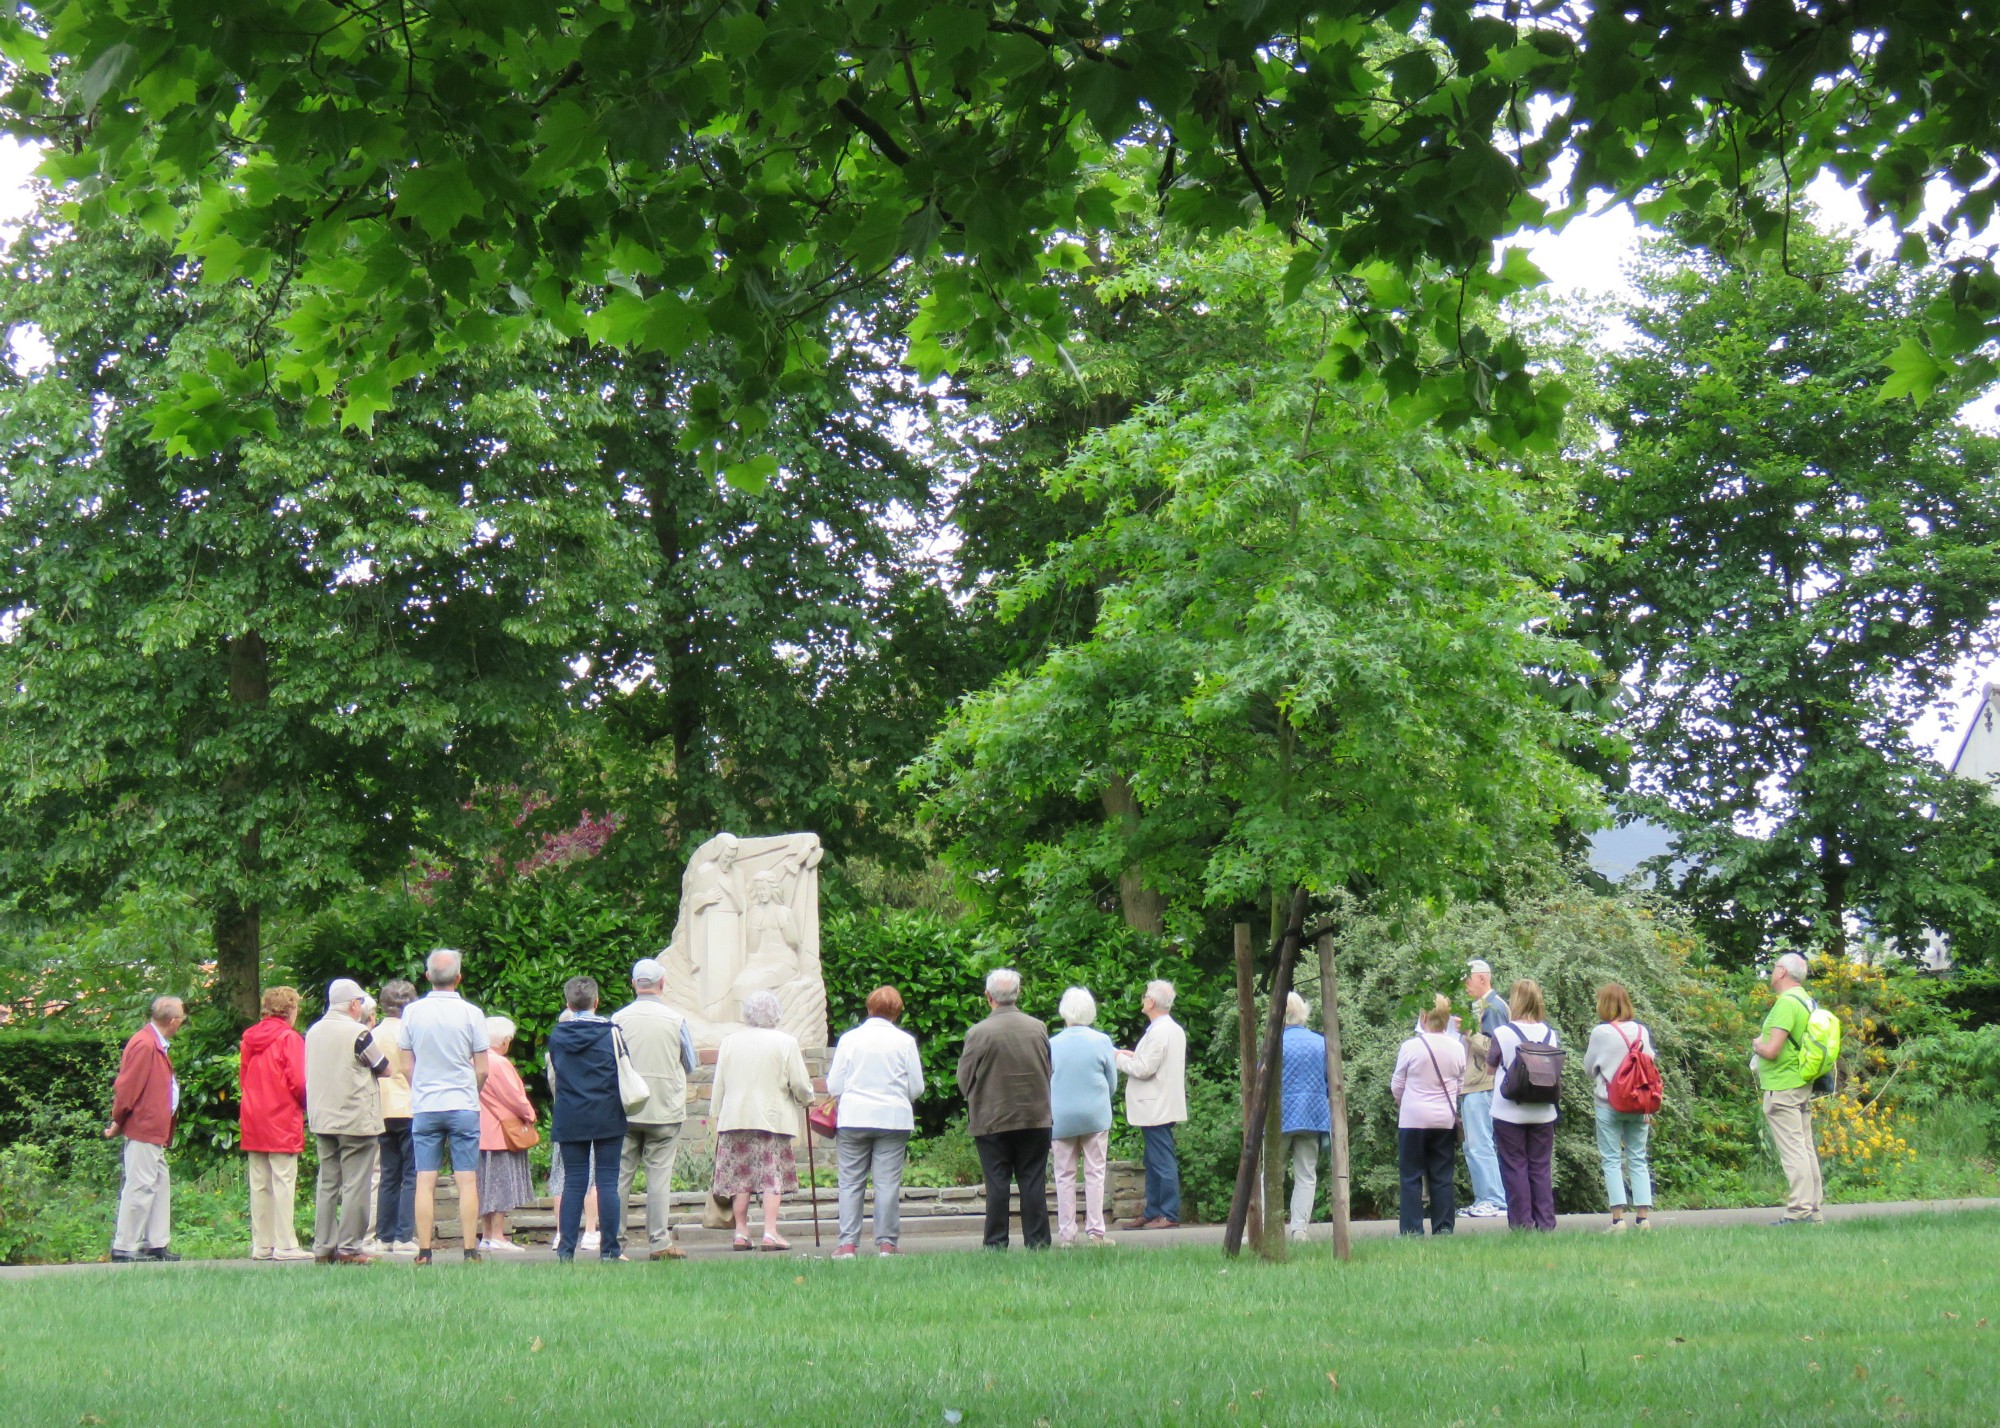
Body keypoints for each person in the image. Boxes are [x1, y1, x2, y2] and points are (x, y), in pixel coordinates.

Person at [396, 948, 489, 1264]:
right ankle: (469, 1249)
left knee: (425, 1178)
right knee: (467, 1179)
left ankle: (424, 1251)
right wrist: (470, 1092)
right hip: (462, 1103)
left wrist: (420, 1088)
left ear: (427, 977)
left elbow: (406, 1064)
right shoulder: (472, 1013)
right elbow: (483, 1068)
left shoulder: (412, 1013)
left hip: (426, 1105)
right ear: (459, 978)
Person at [957, 968, 1054, 1251]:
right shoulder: (1038, 1027)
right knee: (1032, 1181)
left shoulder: (978, 1032)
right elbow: (1049, 1069)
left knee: (997, 1182)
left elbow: (964, 1079)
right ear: (1018, 994)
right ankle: (1037, 1242)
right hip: (1035, 1117)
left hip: (992, 1118)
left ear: (988, 997)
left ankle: (996, 1242)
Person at [711, 988, 815, 1251]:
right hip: (772, 1119)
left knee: (740, 1177)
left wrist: (716, 1115)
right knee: (771, 1176)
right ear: (776, 1014)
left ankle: (740, 1232)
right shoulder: (785, 1042)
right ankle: (770, 1233)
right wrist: (807, 1098)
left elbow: (719, 1084)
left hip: (734, 1117)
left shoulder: (729, 1042)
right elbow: (800, 1084)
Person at [826, 984, 926, 1259]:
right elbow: (916, 1087)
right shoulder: (904, 1041)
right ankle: (886, 1244)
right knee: (887, 1184)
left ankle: (847, 1244)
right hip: (893, 1119)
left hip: (853, 1118)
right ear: (896, 1012)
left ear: (869, 1008)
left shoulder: (849, 1039)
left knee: (850, 1182)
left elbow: (834, 1084)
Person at [612, 957, 698, 1262]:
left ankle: (615, 1241)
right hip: (664, 1109)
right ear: (662, 985)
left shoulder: (617, 1020)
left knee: (620, 1178)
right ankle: (659, 1241)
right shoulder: (676, 1020)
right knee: (659, 1179)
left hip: (625, 1109)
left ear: (634, 984)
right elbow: (690, 1063)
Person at [304, 978, 390, 1264]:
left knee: (327, 1182)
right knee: (356, 1183)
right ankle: (350, 1247)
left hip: (322, 1118)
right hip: (354, 1118)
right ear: (354, 1004)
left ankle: (323, 1247)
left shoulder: (313, 1031)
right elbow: (383, 1067)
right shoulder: (358, 1033)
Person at [547, 978, 630, 1262]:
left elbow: (558, 1071)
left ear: (568, 1004)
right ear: (596, 1002)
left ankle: (566, 1250)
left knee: (573, 1183)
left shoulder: (557, 1035)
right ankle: (609, 1250)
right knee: (607, 1182)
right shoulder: (612, 1033)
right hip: (607, 1113)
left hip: (570, 1114)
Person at [105, 996, 187, 1262]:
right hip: (143, 1126)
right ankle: (125, 1247)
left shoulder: (154, 1043)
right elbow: (127, 1087)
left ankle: (156, 1242)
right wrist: (118, 1120)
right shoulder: (145, 1044)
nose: (182, 1023)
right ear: (173, 1021)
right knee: (140, 1185)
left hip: (154, 1128)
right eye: (182, 1018)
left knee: (159, 1182)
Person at [239, 985, 312, 1263]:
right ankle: (286, 1243)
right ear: (290, 1009)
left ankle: (263, 1243)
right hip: (280, 1115)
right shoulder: (289, 1038)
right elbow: (299, 1081)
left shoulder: (249, 1038)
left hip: (253, 1114)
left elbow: (244, 1078)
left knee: (259, 1182)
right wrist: (307, 1105)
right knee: (284, 1180)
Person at [1752, 951, 1825, 1226]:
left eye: (1774, 968)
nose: (1771, 972)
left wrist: (1757, 1044)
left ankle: (1798, 1212)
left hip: (1782, 1086)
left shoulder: (1785, 1004)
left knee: (1794, 1151)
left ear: (1782, 971)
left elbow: (1771, 1050)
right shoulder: (1807, 1001)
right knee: (1805, 1148)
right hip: (1801, 1082)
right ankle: (1813, 1211)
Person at [1048, 986, 1118, 1249]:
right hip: (1095, 1116)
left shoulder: (1052, 1043)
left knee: (1064, 1175)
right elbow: (1112, 1082)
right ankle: (1096, 1232)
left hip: (1061, 1117)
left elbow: (1047, 1080)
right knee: (1095, 1173)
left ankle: (1066, 1235)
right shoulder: (1102, 1041)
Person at [1488, 978, 1560, 1232]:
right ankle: (1546, 1222)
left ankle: (1522, 1223)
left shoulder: (1503, 1033)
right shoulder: (1550, 1033)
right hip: (1543, 1110)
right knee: (1540, 1166)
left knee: (1514, 1165)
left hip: (1508, 1110)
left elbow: (1490, 1067)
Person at [1391, 994, 1466, 1236]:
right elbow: (1460, 1085)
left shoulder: (1410, 1047)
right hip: (1444, 1119)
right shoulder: (1457, 1048)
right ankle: (1443, 1226)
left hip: (1413, 1119)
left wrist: (1405, 1101)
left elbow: (1397, 1084)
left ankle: (1412, 1228)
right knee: (1442, 1175)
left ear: (1423, 1016)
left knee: (1411, 1175)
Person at [1116, 979, 1188, 1231]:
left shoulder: (1159, 1031)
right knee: (1153, 1159)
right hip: (1162, 1103)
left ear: (1152, 1002)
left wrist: (1118, 1060)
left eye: (1146, 995)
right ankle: (1153, 1210)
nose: (1143, 998)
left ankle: (1168, 1213)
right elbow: (1157, 1063)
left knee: (1161, 1161)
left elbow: (1145, 1069)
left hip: (1156, 1106)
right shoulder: (1171, 1029)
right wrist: (1133, 1055)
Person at [1584, 982, 1655, 1232]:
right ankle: (1643, 1217)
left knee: (1611, 1159)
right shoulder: (1641, 1031)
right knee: (1638, 1158)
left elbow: (1589, 1068)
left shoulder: (1601, 1033)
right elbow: (1650, 1064)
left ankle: (1618, 1220)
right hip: (1640, 1104)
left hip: (1609, 1103)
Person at [476, 1015, 537, 1253]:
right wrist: (530, 1115)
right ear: (504, 1040)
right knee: (500, 1185)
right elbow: (515, 1097)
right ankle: (498, 1236)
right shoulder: (500, 1063)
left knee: (484, 1185)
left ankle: (487, 1236)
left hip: (479, 1130)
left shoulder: (475, 1060)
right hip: (500, 1133)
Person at [1459, 958, 1511, 1219]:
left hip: (1483, 1084)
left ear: (1482, 978)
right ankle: (1485, 1198)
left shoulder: (1492, 1008)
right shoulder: (1485, 1006)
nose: (1465, 985)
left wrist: (1466, 1032)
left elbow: (1494, 1049)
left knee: (1480, 1143)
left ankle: (1494, 1200)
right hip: (1474, 1084)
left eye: (1468, 979)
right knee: (1473, 1145)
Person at [371, 979, 419, 1255]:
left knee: (389, 1173)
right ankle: (404, 1235)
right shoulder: (411, 1031)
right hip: (409, 1106)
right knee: (411, 1173)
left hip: (381, 1107)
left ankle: (383, 1236)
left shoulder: (375, 1033)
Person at [1277, 991, 1329, 1241]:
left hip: (1279, 1116)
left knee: (1271, 1175)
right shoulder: (1320, 1042)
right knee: (1306, 1174)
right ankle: (1299, 1229)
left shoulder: (1273, 1042)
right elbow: (1330, 1080)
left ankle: (1268, 1227)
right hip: (1312, 1114)